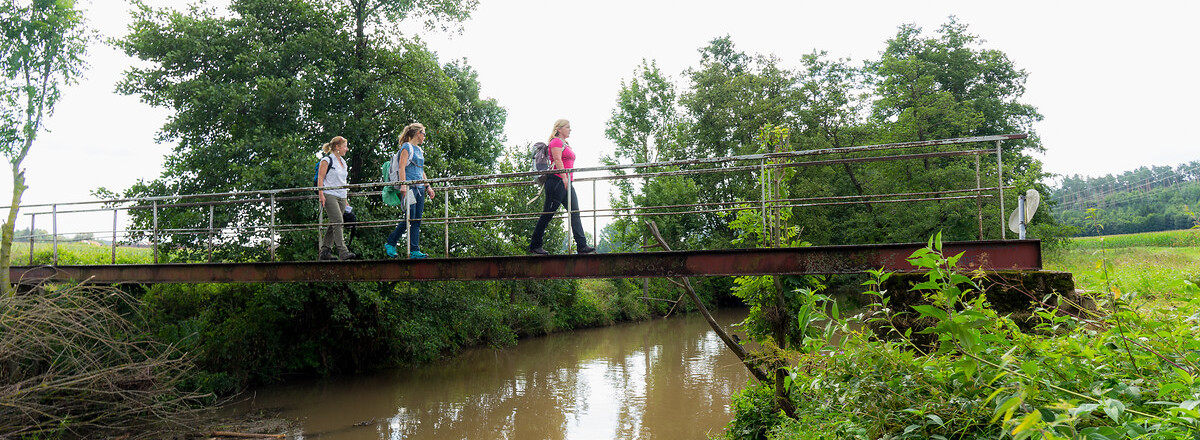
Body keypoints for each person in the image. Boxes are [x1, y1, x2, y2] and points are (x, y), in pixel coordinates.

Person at [529, 119, 596, 255]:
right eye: (567, 127)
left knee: (575, 212)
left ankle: (582, 246)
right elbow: (558, 160)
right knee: (548, 214)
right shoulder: (556, 142)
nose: (570, 129)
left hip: (566, 182)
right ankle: (535, 245)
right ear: (559, 129)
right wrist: (565, 178)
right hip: (557, 181)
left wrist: (568, 180)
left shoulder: (566, 144)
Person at [385, 123, 436, 259]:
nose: (424, 137)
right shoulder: (406, 147)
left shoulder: (419, 150)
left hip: (420, 188)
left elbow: (421, 170)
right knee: (409, 218)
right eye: (424, 134)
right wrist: (403, 186)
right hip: (410, 188)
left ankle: (414, 250)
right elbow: (402, 167)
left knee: (417, 219)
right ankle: (391, 242)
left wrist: (428, 186)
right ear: (418, 133)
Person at [317, 136, 356, 260]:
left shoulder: (343, 162)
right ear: (337, 147)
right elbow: (320, 178)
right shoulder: (327, 160)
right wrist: (321, 194)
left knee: (333, 222)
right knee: (338, 221)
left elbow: (343, 182)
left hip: (341, 196)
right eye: (345, 146)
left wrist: (346, 201)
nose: (347, 149)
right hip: (330, 194)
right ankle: (343, 251)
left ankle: (325, 251)